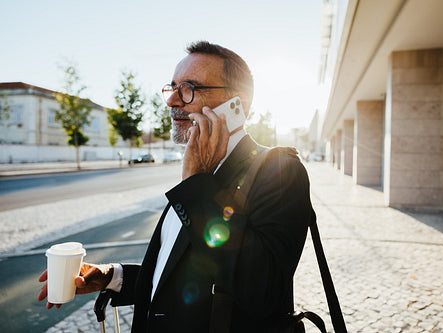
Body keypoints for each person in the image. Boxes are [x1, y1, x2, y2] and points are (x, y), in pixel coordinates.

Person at [38, 41, 314, 332]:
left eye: (189, 88)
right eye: (172, 88)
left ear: (237, 104)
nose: (171, 101)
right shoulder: (198, 173)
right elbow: (182, 274)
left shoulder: (279, 172)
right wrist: (111, 276)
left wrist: (196, 185)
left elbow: (263, 291)